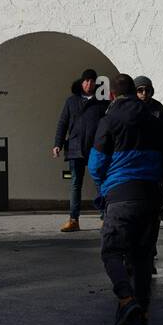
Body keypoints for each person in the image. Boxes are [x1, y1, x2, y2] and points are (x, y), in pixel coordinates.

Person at [89, 74, 163, 325]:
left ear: (112, 95)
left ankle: (127, 300)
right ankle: (142, 315)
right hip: (151, 195)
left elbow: (96, 164)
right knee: (143, 256)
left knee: (112, 251)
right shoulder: (154, 118)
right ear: (135, 92)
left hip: (121, 194)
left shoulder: (109, 120)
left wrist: (104, 186)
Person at [133, 75, 163, 275]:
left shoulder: (160, 112)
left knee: (152, 217)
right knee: (135, 216)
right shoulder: (128, 111)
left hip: (156, 172)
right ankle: (134, 255)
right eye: (140, 90)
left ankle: (149, 255)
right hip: (135, 171)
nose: (144, 94)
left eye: (147, 90)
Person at [53, 68, 105, 232]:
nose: (89, 84)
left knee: (100, 182)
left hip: (95, 148)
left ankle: (105, 217)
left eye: (92, 81)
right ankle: (73, 219)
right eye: (86, 80)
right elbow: (63, 123)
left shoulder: (101, 103)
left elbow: (108, 125)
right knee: (75, 183)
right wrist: (57, 144)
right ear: (81, 82)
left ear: (96, 83)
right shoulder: (71, 101)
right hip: (75, 147)